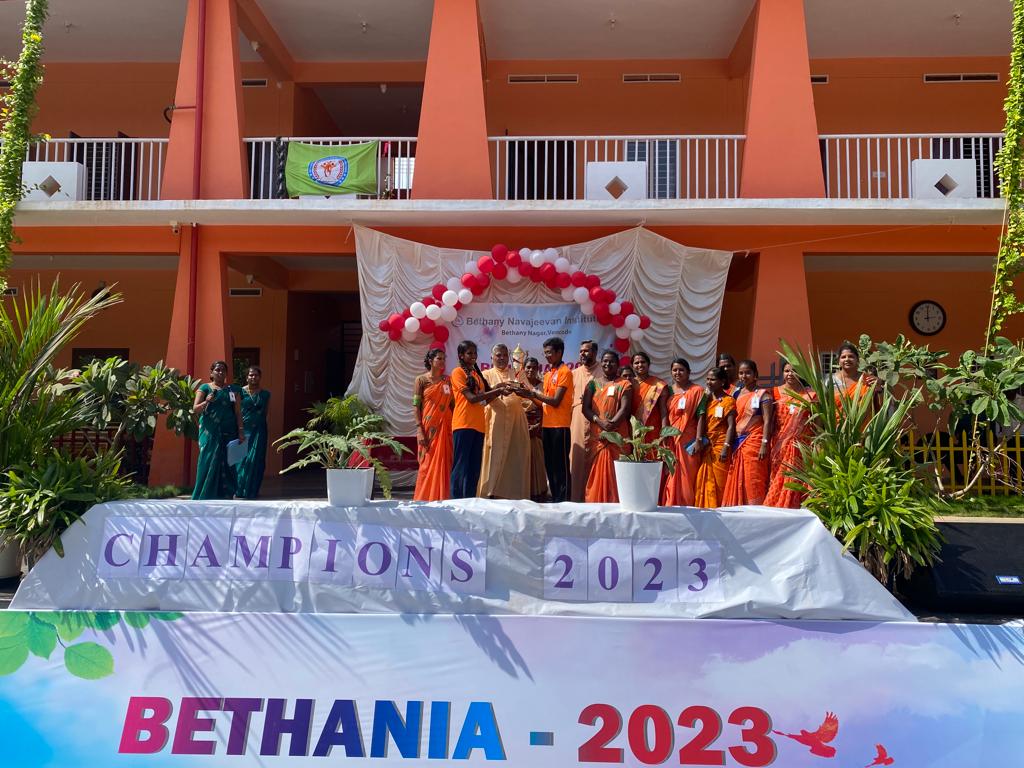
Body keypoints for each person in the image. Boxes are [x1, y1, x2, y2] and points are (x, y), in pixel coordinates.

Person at [450, 341, 508, 499]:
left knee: (474, 468)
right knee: (461, 466)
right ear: (461, 355)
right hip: (463, 424)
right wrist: (497, 390)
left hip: (479, 426)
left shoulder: (476, 374)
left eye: (475, 353)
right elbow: (472, 398)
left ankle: (469, 501)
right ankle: (456, 501)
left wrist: (501, 389)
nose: (473, 356)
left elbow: (485, 400)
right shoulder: (457, 372)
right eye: (469, 353)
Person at [522, 337, 573, 502]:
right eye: (545, 353)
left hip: (560, 426)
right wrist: (528, 394)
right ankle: (556, 498)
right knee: (550, 465)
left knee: (561, 467)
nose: (546, 356)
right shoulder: (549, 373)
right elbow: (545, 403)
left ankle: (564, 501)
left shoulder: (565, 372)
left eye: (549, 352)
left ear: (559, 352)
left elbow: (556, 401)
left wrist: (533, 393)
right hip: (547, 426)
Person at [478, 344, 530, 499]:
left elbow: (529, 395)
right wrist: (498, 388)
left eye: (504, 355)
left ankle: (513, 495)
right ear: (491, 357)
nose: (501, 358)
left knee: (516, 455)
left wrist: (521, 390)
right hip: (495, 420)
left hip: (516, 421)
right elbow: (482, 397)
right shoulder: (485, 374)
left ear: (509, 357)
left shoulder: (517, 373)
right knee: (494, 454)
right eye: (498, 355)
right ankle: (490, 491)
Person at [582, 350, 634, 503]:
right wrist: (600, 422)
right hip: (598, 436)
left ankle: (617, 503)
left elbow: (625, 409)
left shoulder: (625, 384)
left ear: (617, 365)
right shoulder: (592, 383)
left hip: (617, 436)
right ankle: (596, 503)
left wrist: (611, 426)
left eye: (611, 361)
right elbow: (585, 408)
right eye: (605, 361)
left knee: (618, 473)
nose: (607, 364)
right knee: (596, 474)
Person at [722, 359, 775, 506]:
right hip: (737, 443)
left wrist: (764, 444)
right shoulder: (736, 394)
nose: (744, 376)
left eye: (747, 373)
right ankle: (737, 509)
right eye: (741, 373)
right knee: (737, 477)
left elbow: (767, 421)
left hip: (755, 442)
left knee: (754, 478)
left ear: (755, 374)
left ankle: (755, 510)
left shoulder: (763, 395)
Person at [192, 360, 245, 500]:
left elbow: (238, 412)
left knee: (228, 462)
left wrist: (241, 431)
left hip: (229, 431)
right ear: (212, 372)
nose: (220, 372)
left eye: (223, 370)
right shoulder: (205, 388)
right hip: (210, 431)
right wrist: (207, 401)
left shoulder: (233, 390)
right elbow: (195, 409)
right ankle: (203, 494)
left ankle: (226, 494)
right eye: (217, 370)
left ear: (226, 373)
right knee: (207, 460)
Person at [764, 360, 815, 508]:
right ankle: (777, 507)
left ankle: (796, 507)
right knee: (778, 477)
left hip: (802, 445)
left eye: (794, 371)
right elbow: (769, 420)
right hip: (779, 444)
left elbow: (816, 422)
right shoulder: (774, 392)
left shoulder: (810, 394)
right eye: (787, 371)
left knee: (799, 478)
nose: (790, 374)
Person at [661, 358, 705, 507]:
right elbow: (664, 414)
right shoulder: (668, 391)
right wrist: (664, 434)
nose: (678, 373)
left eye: (681, 370)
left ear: (688, 372)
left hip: (689, 438)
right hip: (671, 438)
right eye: (675, 370)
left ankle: (687, 505)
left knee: (688, 473)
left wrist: (698, 439)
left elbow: (701, 416)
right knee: (671, 471)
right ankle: (670, 504)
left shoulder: (697, 391)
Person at [413, 349, 454, 502]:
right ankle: (424, 498)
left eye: (444, 358)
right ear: (430, 361)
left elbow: (453, 405)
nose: (442, 361)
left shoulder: (448, 381)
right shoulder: (421, 380)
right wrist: (419, 430)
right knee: (427, 463)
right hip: (428, 427)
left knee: (445, 462)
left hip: (446, 427)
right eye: (439, 358)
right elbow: (416, 406)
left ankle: (443, 497)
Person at [694, 366, 737, 508]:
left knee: (719, 483)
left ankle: (720, 510)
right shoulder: (706, 400)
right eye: (707, 379)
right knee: (703, 479)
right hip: (707, 445)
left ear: (722, 381)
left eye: (712, 379)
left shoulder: (728, 401)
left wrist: (726, 447)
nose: (709, 382)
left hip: (720, 445)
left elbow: (731, 426)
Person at [570, 340, 606, 502]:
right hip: (577, 419)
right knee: (576, 459)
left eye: (586, 351)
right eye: (581, 351)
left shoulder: (603, 371)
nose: (582, 354)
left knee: (596, 459)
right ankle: (575, 499)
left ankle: (594, 499)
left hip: (597, 419)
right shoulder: (574, 373)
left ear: (595, 353)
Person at [235, 365, 270, 499]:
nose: (253, 377)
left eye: (256, 375)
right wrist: (240, 429)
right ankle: (240, 489)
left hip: (260, 431)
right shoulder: (240, 392)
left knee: (257, 459)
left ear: (260, 377)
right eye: (251, 375)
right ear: (246, 377)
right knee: (242, 459)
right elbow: (237, 411)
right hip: (244, 429)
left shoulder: (265, 394)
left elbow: (265, 412)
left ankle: (253, 490)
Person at [523, 357, 550, 501]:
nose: (531, 370)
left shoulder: (543, 386)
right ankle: (523, 491)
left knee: (538, 459)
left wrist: (538, 425)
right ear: (523, 368)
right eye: (528, 367)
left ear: (538, 369)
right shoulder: (519, 385)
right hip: (521, 426)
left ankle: (539, 492)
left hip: (539, 426)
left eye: (534, 367)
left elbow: (547, 408)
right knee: (522, 459)